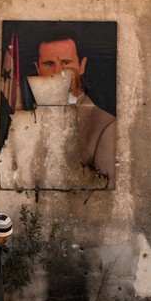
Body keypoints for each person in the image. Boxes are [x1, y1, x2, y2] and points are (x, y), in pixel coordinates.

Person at [34, 33, 117, 187]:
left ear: (82, 65)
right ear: (38, 69)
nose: (58, 72)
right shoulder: (29, 120)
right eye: (49, 63)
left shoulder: (105, 126)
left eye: (66, 62)